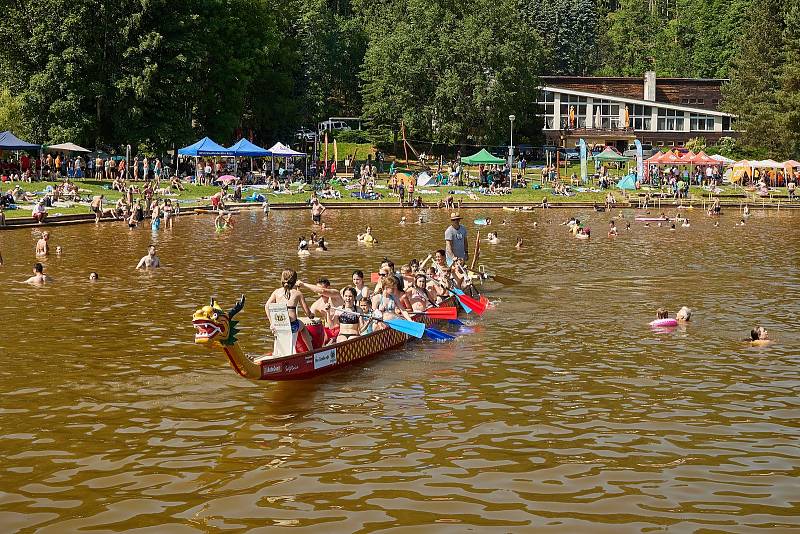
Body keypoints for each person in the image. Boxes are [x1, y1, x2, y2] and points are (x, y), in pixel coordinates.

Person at [265, 269, 315, 352]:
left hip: (278, 326)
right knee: (303, 327)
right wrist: (311, 315)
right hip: (292, 326)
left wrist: (272, 323)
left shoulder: (276, 292)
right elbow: (308, 313)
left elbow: (267, 306)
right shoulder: (298, 293)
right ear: (294, 281)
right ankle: (311, 351)